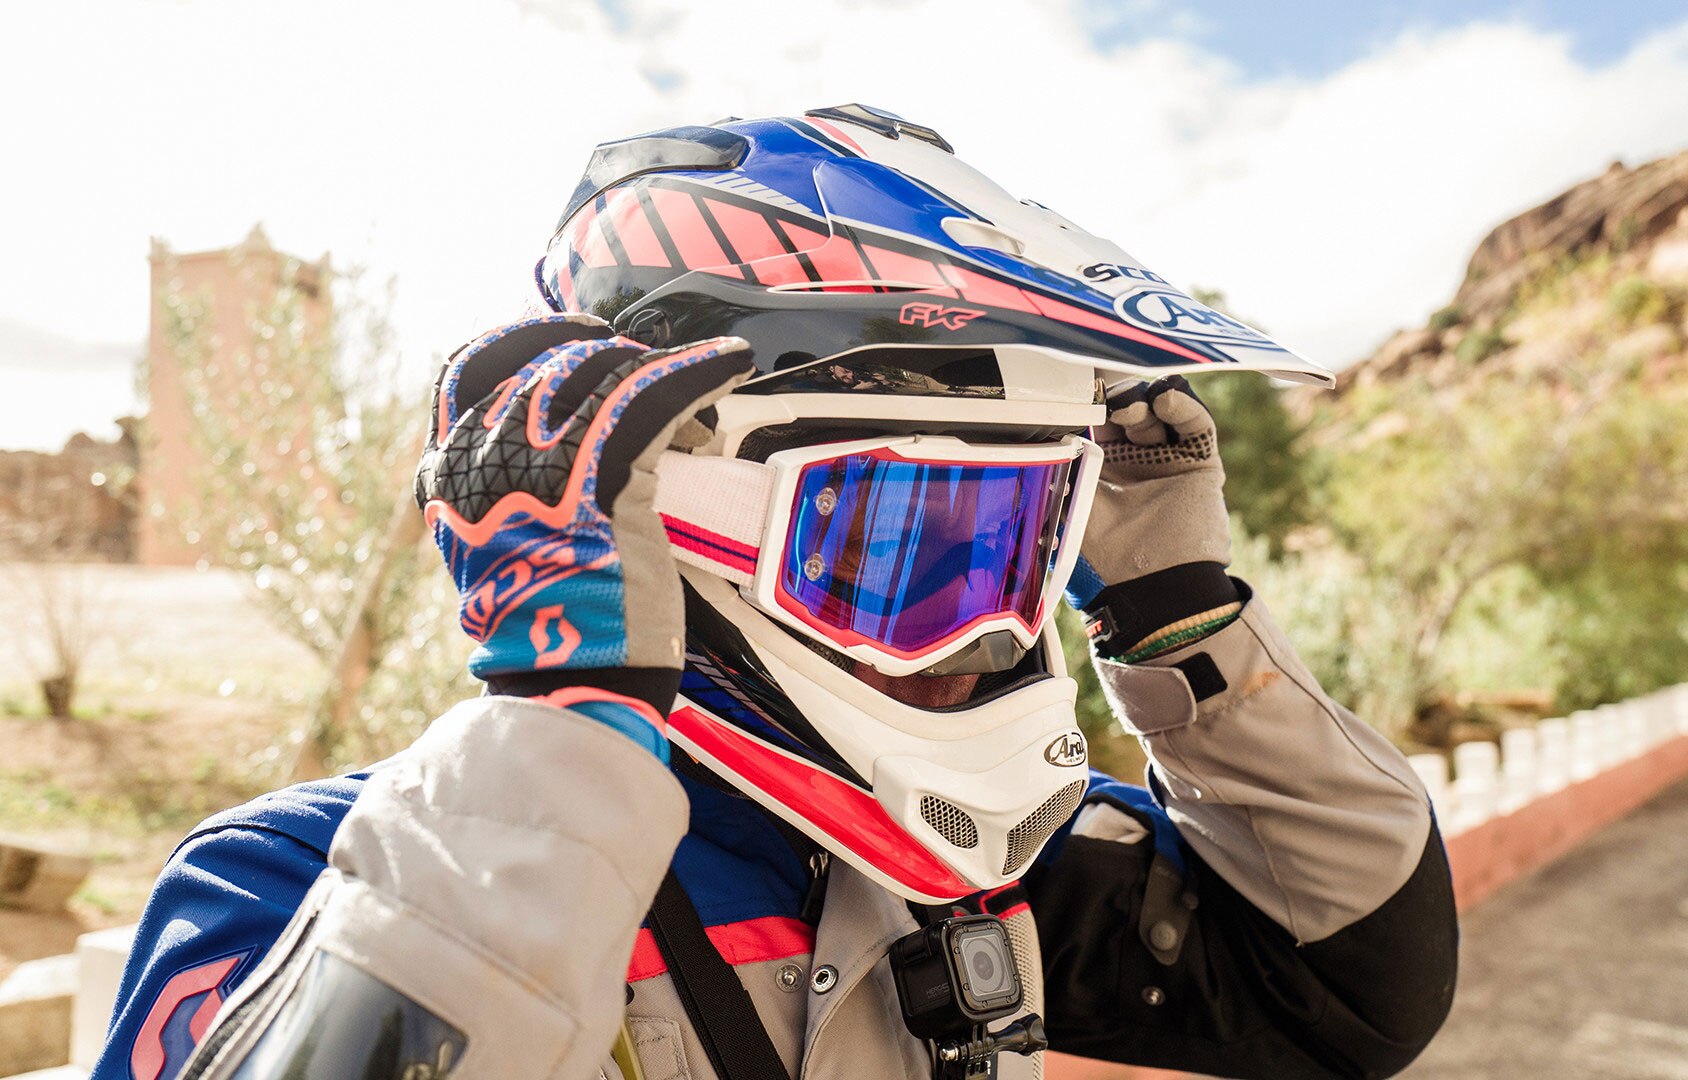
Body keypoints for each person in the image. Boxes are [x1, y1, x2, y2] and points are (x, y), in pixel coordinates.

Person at [93, 105, 1457, 1080]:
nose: (982, 632)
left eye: (1017, 545)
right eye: (902, 546)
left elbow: (1351, 995)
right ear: (673, 522)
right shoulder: (300, 887)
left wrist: (1182, 616)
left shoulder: (972, 868)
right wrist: (560, 737)